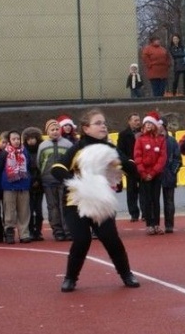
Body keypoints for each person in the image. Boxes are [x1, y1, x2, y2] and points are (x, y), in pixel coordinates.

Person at [51, 108, 141, 292]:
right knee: (82, 240)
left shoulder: (109, 149)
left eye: (104, 123)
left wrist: (116, 162)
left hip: (101, 202)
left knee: (110, 238)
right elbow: (56, 168)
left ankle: (126, 274)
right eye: (98, 123)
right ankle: (70, 278)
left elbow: (132, 168)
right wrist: (78, 182)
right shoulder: (77, 148)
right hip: (75, 202)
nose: (103, 126)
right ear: (86, 128)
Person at [37, 119, 74, 241]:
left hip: (64, 180)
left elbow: (72, 161)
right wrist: (43, 174)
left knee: (65, 205)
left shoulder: (68, 144)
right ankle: (57, 230)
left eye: (57, 129)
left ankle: (68, 229)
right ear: (47, 131)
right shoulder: (43, 146)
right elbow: (39, 162)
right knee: (53, 206)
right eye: (52, 130)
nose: (55, 132)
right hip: (49, 181)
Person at [134, 111, 167, 235]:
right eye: (146, 123)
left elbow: (162, 158)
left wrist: (153, 172)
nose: (148, 125)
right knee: (147, 200)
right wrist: (143, 172)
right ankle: (149, 224)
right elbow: (137, 156)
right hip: (144, 174)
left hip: (156, 174)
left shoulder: (161, 139)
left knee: (156, 200)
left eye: (150, 123)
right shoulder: (140, 139)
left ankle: (157, 224)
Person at [0, 129, 32, 244]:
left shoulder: (25, 152)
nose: (16, 141)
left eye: (18, 139)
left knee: (24, 211)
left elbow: (29, 166)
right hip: (9, 186)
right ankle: (9, 232)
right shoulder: (4, 153)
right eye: (13, 139)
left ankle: (24, 234)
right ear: (9, 141)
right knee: (9, 211)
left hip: (23, 185)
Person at [116, 113, 142, 222]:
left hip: (142, 165)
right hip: (130, 166)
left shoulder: (143, 133)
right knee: (131, 191)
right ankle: (134, 213)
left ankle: (145, 212)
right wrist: (126, 163)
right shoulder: (123, 135)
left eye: (138, 120)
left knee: (144, 191)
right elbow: (120, 151)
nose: (138, 122)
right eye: (135, 120)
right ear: (129, 121)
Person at [23, 127, 45, 241]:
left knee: (39, 211)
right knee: (30, 210)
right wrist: (31, 180)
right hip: (28, 184)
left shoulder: (41, 150)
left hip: (40, 184)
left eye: (33, 138)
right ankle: (31, 230)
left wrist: (38, 180)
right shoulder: (24, 151)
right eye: (29, 139)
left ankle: (39, 231)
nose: (31, 141)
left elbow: (43, 166)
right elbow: (24, 168)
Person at [160, 121, 182, 234]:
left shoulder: (172, 141)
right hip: (156, 175)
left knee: (169, 201)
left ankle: (169, 225)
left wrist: (172, 172)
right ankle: (155, 224)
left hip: (168, 175)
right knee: (154, 202)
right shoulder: (152, 140)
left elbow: (178, 159)